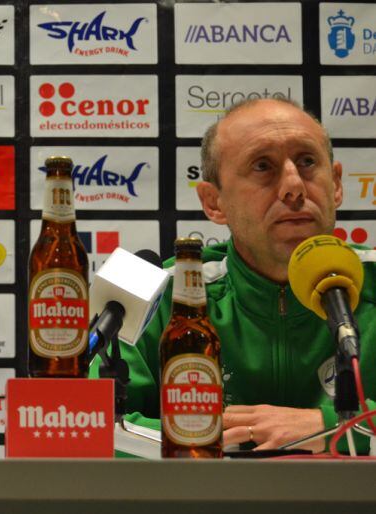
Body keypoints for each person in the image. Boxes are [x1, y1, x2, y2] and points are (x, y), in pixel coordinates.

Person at [103, 98, 376, 454]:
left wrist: (334, 427)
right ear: (214, 202)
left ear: (337, 184)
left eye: (307, 162)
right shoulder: (158, 296)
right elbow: (83, 423)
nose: (294, 186)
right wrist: (195, 445)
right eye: (263, 166)